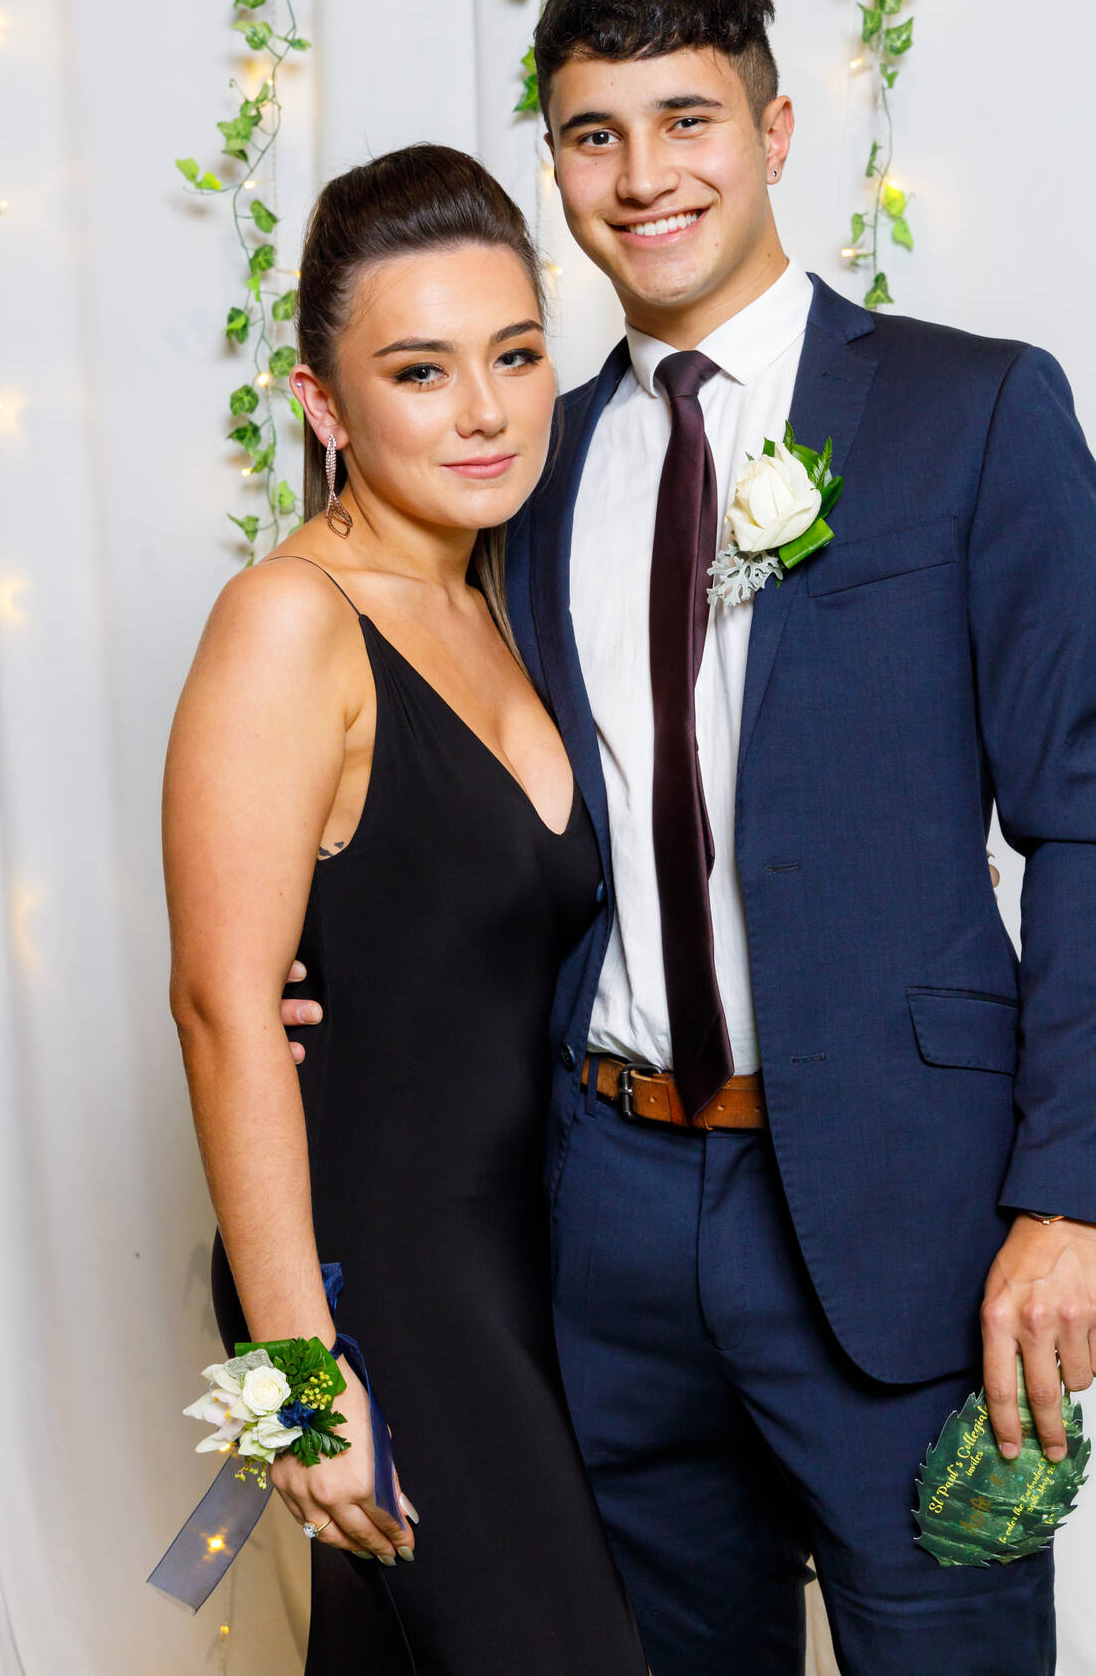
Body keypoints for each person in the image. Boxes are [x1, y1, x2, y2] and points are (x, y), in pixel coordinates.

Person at [289, 0, 1096, 1675]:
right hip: (603, 1210)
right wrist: (317, 980)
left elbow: (1092, 826)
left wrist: (1075, 1199)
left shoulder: (972, 412)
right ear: (559, 167)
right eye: (593, 134)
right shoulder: (523, 471)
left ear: (774, 131)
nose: (643, 176)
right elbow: (431, 773)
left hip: (908, 1215)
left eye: (685, 119)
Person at [163, 145, 647, 1675]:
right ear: (325, 406)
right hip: (377, 1277)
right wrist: (298, 1386)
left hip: (532, 1264)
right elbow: (222, 1007)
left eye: (516, 355)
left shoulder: (500, 600)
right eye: (421, 371)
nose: (486, 410)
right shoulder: (286, 621)